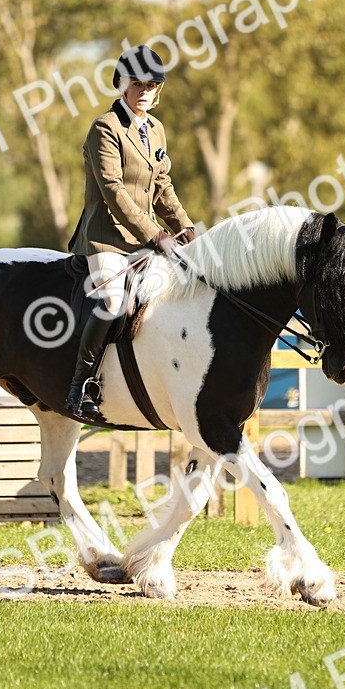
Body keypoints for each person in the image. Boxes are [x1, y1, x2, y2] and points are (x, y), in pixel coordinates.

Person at [65, 45, 196, 422]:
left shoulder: (155, 130)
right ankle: (81, 385)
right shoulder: (105, 128)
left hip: (146, 241)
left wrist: (185, 226)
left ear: (158, 90)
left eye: (151, 85)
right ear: (122, 84)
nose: (144, 91)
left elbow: (162, 185)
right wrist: (157, 235)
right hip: (106, 240)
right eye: (136, 84)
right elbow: (114, 191)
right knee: (113, 302)